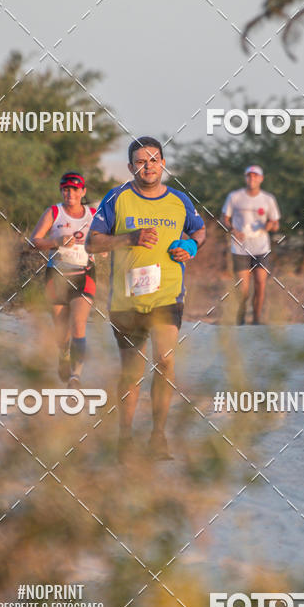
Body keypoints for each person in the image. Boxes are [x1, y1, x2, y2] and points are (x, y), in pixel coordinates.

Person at [86, 137, 206, 462]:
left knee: (165, 360)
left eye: (154, 159)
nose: (148, 166)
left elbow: (199, 230)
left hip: (168, 296)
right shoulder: (117, 198)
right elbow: (92, 244)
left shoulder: (180, 201)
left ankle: (158, 436)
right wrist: (129, 238)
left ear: (163, 164)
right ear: (130, 167)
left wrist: (192, 247)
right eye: (141, 161)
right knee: (131, 373)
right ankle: (125, 439)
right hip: (126, 301)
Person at [30, 172, 97, 387]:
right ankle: (63, 355)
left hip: (84, 274)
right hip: (57, 276)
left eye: (75, 189)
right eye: (66, 189)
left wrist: (101, 248)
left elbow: (106, 239)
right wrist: (55, 241)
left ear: (83, 192)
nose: (70, 194)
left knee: (79, 325)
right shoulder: (54, 212)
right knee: (62, 331)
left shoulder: (94, 214)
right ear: (61, 191)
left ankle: (75, 376)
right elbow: (35, 241)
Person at [221, 165, 280, 324]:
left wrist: (270, 226)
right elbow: (224, 218)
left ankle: (256, 320)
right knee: (243, 290)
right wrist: (233, 230)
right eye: (249, 176)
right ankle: (240, 320)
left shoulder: (268, 199)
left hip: (261, 247)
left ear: (261, 178)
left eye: (255, 176)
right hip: (240, 248)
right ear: (245, 177)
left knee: (260, 285)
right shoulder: (235, 197)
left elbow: (275, 223)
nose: (252, 179)